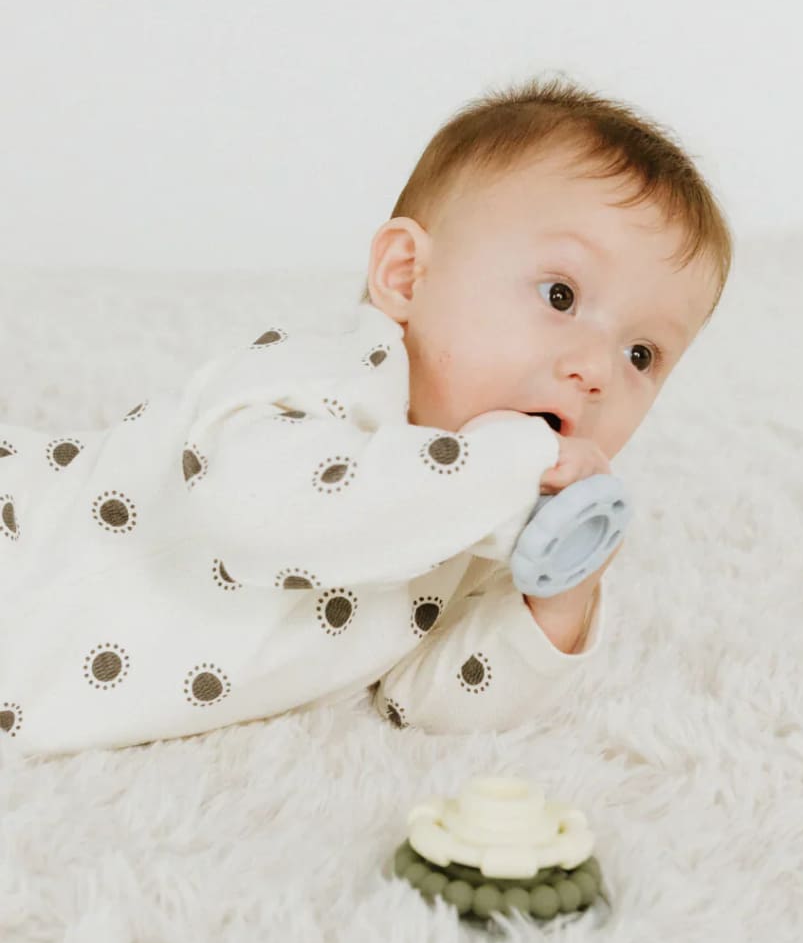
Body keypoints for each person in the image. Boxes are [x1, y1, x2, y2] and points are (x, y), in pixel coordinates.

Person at [0, 74, 732, 756]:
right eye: (561, 297)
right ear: (406, 277)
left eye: (642, 354)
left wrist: (556, 602)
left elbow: (430, 699)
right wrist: (499, 473)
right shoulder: (324, 377)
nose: (597, 370)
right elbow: (255, 516)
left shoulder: (483, 532)